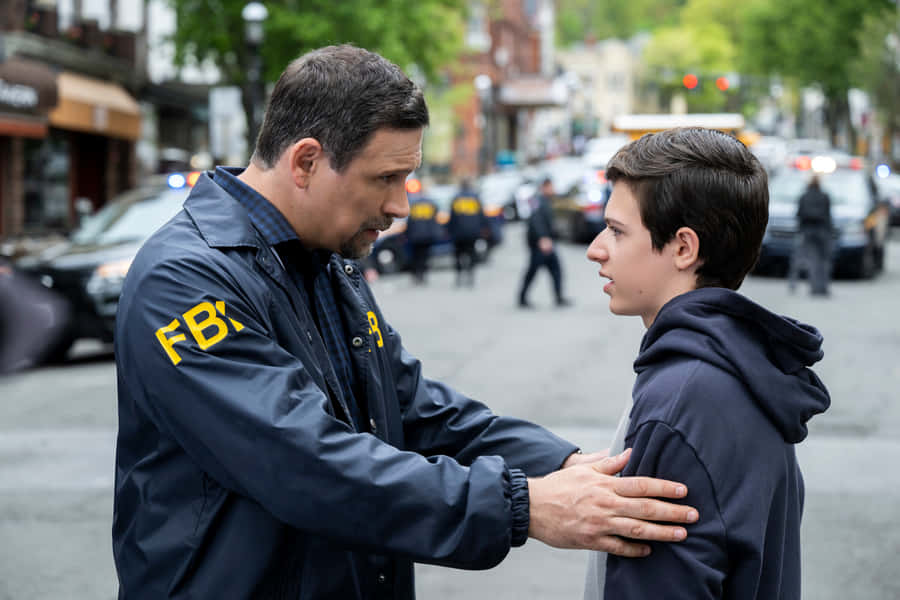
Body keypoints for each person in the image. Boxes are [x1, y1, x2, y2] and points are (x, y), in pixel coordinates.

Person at [112, 45, 699, 600]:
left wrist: (560, 465)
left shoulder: (321, 257)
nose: (402, 207)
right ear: (306, 161)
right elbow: (303, 462)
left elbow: (411, 409)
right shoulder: (186, 279)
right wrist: (523, 504)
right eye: (384, 179)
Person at [583, 128, 831, 599]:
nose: (596, 248)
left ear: (683, 248)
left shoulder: (682, 399)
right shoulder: (741, 368)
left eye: (616, 231)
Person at [518, 177, 571, 308]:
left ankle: (558, 297)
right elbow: (535, 220)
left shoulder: (545, 201)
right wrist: (543, 238)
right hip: (540, 244)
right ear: (544, 187)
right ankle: (522, 298)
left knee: (555, 270)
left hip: (546, 242)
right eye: (550, 187)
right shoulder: (537, 200)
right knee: (533, 271)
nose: (552, 189)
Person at [788, 174, 833, 296]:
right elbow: (828, 217)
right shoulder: (825, 196)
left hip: (806, 231)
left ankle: (793, 284)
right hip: (822, 231)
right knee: (822, 261)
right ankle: (821, 288)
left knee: (801, 259)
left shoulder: (804, 197)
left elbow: (798, 214)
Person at [447, 178, 486, 286]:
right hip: (473, 233)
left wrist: (449, 230)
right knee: (472, 254)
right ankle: (471, 275)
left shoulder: (456, 198)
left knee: (458, 255)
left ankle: (459, 276)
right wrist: (483, 229)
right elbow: (481, 215)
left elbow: (452, 217)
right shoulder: (475, 197)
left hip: (458, 233)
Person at [404, 183, 441, 284]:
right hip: (427, 235)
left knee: (416, 256)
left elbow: (410, 221)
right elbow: (436, 218)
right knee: (425, 256)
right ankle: (423, 274)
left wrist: (407, 234)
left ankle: (417, 274)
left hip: (415, 235)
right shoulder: (431, 204)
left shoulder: (413, 204)